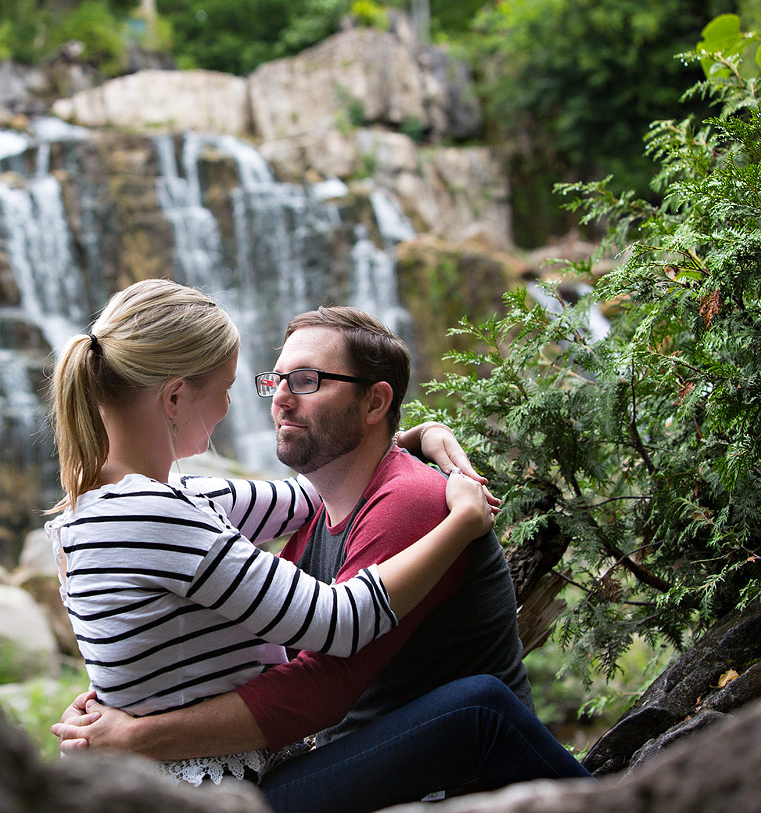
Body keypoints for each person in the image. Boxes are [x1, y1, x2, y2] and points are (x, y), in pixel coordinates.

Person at [53, 302, 593, 810]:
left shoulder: (120, 507)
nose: (273, 399)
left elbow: (300, 518)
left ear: (375, 402)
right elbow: (330, 626)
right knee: (478, 707)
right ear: (173, 398)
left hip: (303, 775)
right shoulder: (160, 509)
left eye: (305, 381)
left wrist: (411, 437)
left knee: (480, 707)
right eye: (273, 381)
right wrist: (132, 727)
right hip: (223, 787)